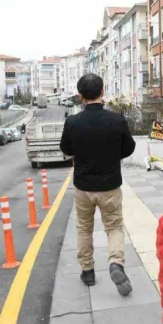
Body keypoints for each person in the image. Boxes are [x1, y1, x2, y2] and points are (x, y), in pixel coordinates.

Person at [60, 73, 136, 296]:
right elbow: (129, 148)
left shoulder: (72, 122)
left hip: (83, 187)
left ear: (80, 96)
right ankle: (116, 263)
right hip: (110, 186)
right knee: (113, 227)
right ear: (102, 93)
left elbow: (66, 149)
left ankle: (88, 271)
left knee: (84, 228)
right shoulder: (117, 120)